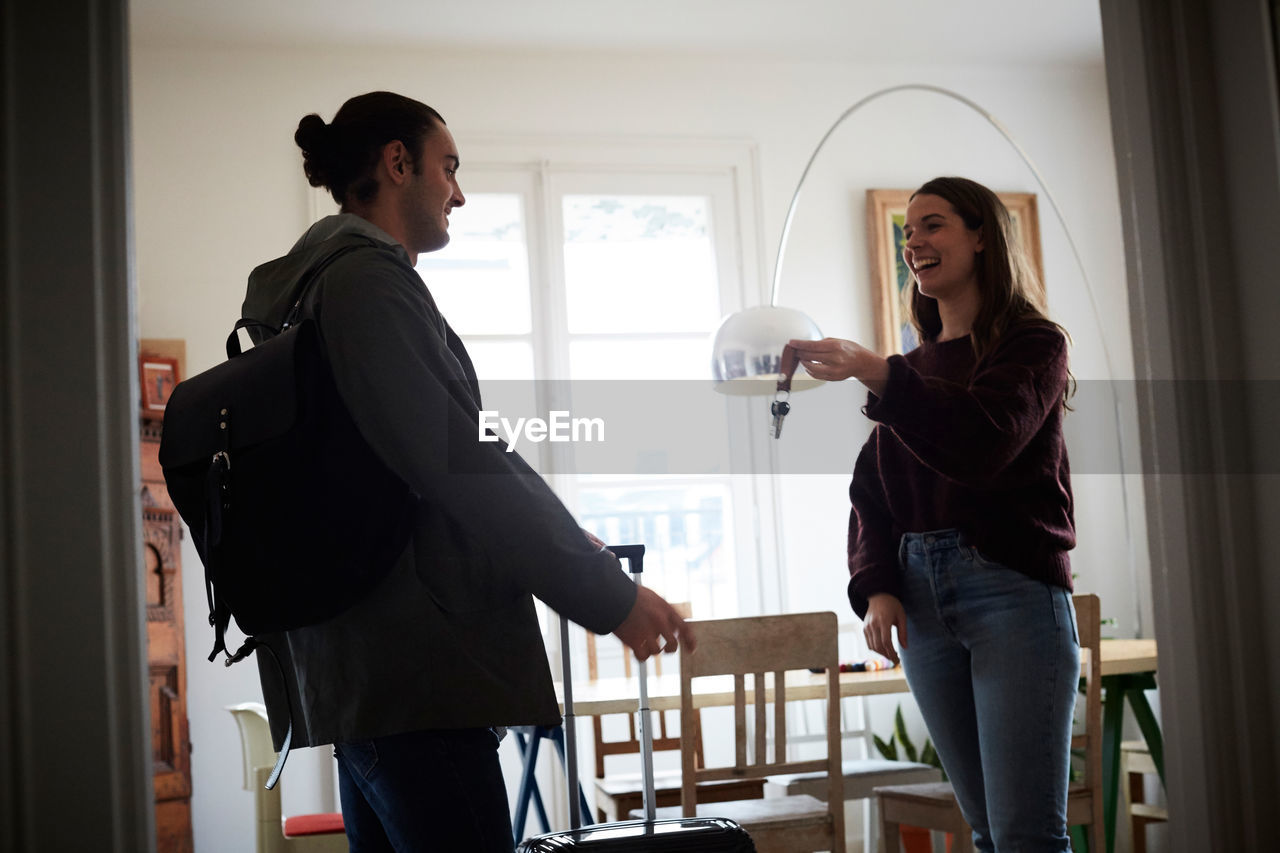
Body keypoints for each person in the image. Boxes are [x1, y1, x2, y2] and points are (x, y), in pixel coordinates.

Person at [245, 91, 694, 853]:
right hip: (417, 680)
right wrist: (605, 593)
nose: (458, 191)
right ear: (397, 163)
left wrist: (567, 542)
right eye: (447, 167)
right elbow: (462, 461)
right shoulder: (367, 285)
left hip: (362, 675)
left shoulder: (310, 292)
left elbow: (403, 476)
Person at [788, 176, 1078, 852]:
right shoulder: (911, 370)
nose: (913, 240)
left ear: (982, 237)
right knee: (987, 833)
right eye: (908, 230)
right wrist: (879, 586)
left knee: (1027, 836)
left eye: (934, 224)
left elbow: (984, 439)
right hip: (920, 607)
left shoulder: (1032, 346)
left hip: (1013, 591)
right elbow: (875, 490)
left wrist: (882, 374)